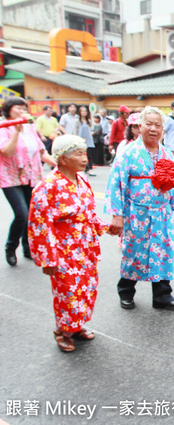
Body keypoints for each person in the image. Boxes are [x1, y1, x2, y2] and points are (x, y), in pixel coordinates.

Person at [28, 135, 115, 352]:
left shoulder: (82, 180)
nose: (85, 158)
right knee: (68, 292)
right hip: (63, 249)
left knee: (86, 288)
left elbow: (88, 213)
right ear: (62, 158)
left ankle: (76, 326)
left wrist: (105, 227)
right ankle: (62, 330)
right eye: (78, 154)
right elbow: (39, 226)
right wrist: (47, 259)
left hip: (85, 247)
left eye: (84, 153)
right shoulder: (47, 186)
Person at [104, 106, 174, 311]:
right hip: (136, 213)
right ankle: (126, 292)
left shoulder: (166, 154)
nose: (153, 129)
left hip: (161, 213)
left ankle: (162, 296)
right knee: (134, 253)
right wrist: (117, 215)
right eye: (148, 124)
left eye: (157, 125)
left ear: (163, 129)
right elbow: (116, 184)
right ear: (139, 127)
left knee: (162, 253)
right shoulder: (128, 153)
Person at [1, 97, 56, 266]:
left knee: (31, 215)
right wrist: (16, 131)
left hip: (31, 176)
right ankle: (11, 247)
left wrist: (58, 163)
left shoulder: (30, 127)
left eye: (24, 108)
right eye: (18, 108)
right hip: (11, 178)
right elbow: (7, 152)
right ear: (9, 109)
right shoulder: (3, 127)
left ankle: (28, 247)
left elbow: (41, 152)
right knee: (21, 214)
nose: (22, 110)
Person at [77, 105, 95, 177]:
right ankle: (81, 169)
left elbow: (91, 129)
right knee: (80, 155)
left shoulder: (89, 121)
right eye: (82, 111)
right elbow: (75, 131)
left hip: (88, 140)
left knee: (90, 155)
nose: (84, 113)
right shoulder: (77, 121)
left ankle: (90, 169)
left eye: (85, 111)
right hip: (80, 140)